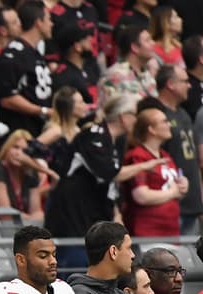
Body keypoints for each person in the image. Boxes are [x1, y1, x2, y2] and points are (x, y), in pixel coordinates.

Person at [44, 95, 146, 267]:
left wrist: (115, 209)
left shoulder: (117, 141)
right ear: (123, 116)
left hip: (94, 209)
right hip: (73, 212)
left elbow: (109, 182)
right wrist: (146, 166)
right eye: (135, 115)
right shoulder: (92, 135)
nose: (137, 120)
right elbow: (109, 173)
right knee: (74, 262)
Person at [144, 63, 203, 235]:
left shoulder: (183, 114)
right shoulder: (157, 117)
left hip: (191, 200)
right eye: (185, 81)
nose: (190, 85)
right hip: (171, 202)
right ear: (171, 84)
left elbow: (192, 159)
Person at [122, 107, 189, 238]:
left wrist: (183, 186)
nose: (169, 124)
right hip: (147, 231)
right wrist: (172, 192)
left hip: (171, 230)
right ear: (151, 129)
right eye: (164, 121)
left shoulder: (165, 156)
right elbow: (141, 196)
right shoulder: (137, 156)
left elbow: (174, 190)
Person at [0, 0, 53, 136]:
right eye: (49, 19)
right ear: (38, 22)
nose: (52, 24)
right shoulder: (12, 56)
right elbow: (7, 99)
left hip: (37, 129)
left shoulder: (34, 52)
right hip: (19, 134)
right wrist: (43, 111)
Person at [0, 130, 50, 219]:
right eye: (15, 147)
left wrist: (35, 220)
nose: (18, 153)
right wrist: (31, 220)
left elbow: (36, 211)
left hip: (19, 227)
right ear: (7, 148)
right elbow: (5, 214)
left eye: (24, 150)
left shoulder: (30, 173)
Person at [99, 23, 156, 109]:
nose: (153, 43)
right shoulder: (113, 76)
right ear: (134, 47)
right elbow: (108, 112)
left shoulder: (147, 74)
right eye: (148, 40)